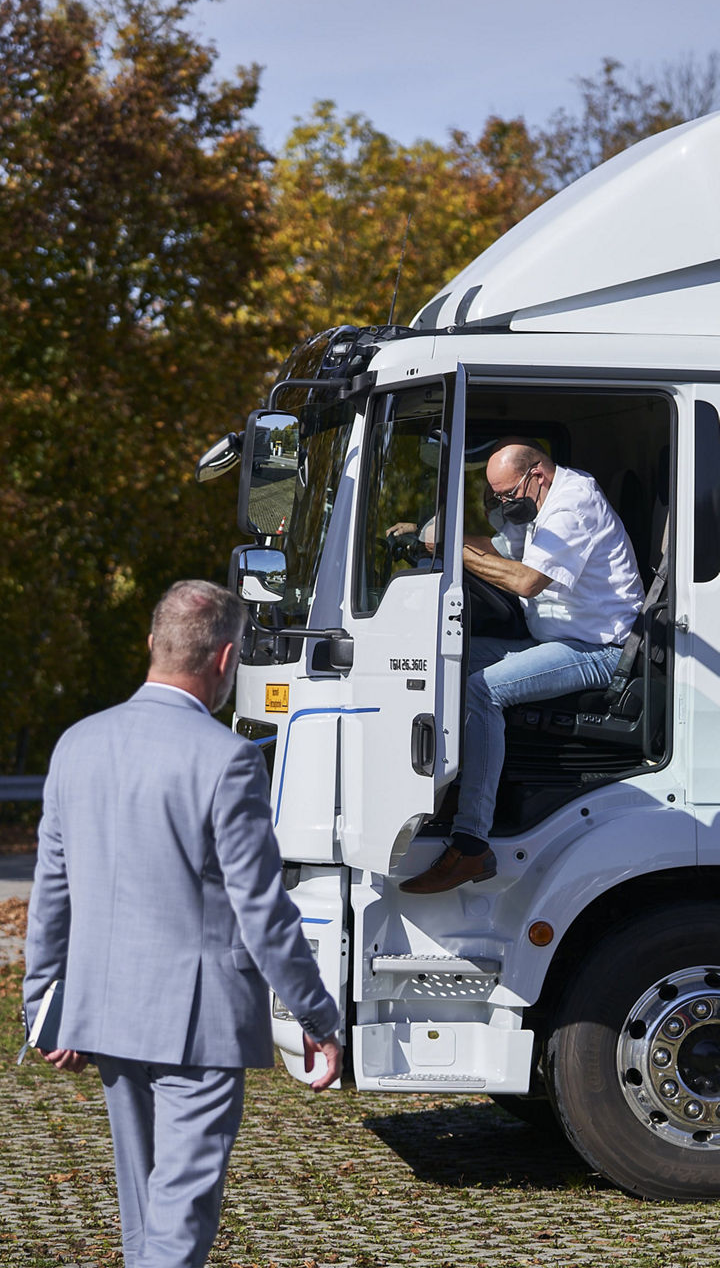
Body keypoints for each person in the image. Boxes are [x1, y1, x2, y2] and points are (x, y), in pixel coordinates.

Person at [23, 579, 342, 1268]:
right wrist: (317, 1015)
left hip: (106, 1012)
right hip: (199, 1024)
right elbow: (262, 910)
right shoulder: (227, 758)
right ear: (226, 660)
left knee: (146, 1215)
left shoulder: (77, 744)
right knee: (179, 1220)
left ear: (152, 643)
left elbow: (52, 891)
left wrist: (44, 1006)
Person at [400, 439, 645, 895]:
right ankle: (448, 790)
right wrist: (428, 537)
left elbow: (528, 581)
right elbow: (499, 549)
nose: (501, 504)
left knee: (482, 690)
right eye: (496, 496)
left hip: (599, 651)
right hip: (554, 640)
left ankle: (471, 843)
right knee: (444, 657)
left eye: (506, 494)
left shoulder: (573, 505)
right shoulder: (535, 505)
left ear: (537, 475)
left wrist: (453, 550)